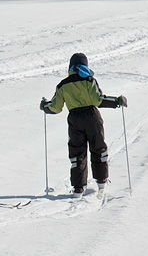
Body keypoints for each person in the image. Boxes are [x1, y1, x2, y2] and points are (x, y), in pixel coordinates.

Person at [39, 53, 127, 198]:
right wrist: (117, 101)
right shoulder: (89, 80)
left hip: (74, 119)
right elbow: (98, 100)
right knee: (98, 148)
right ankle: (101, 183)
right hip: (92, 117)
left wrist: (44, 106)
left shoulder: (63, 85)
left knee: (77, 153)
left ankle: (78, 189)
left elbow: (56, 107)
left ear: (70, 67)